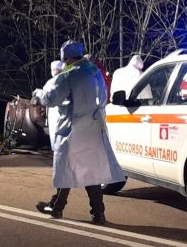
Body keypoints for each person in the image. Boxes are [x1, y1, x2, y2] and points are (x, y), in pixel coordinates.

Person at [31, 40, 126, 225]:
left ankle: (56, 207)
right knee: (90, 170)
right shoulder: (94, 71)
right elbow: (103, 97)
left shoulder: (69, 75)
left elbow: (52, 98)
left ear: (67, 58)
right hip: (93, 128)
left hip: (73, 130)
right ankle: (98, 213)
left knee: (66, 168)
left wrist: (38, 93)